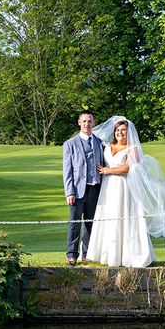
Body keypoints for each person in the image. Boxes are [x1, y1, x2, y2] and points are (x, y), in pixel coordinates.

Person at [86, 116, 165, 267]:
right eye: (117, 130)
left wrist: (107, 170)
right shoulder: (107, 146)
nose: (120, 133)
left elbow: (127, 168)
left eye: (123, 130)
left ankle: (128, 255)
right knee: (108, 215)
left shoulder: (133, 148)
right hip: (107, 187)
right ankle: (107, 254)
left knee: (123, 216)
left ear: (129, 133)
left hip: (124, 187)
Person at [63, 110, 106, 266]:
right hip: (77, 190)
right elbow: (67, 171)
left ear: (93, 123)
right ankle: (72, 255)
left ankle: (87, 253)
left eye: (90, 121)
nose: (87, 124)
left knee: (91, 223)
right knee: (75, 223)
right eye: (84, 121)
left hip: (95, 188)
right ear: (79, 123)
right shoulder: (70, 144)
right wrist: (69, 192)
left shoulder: (100, 142)